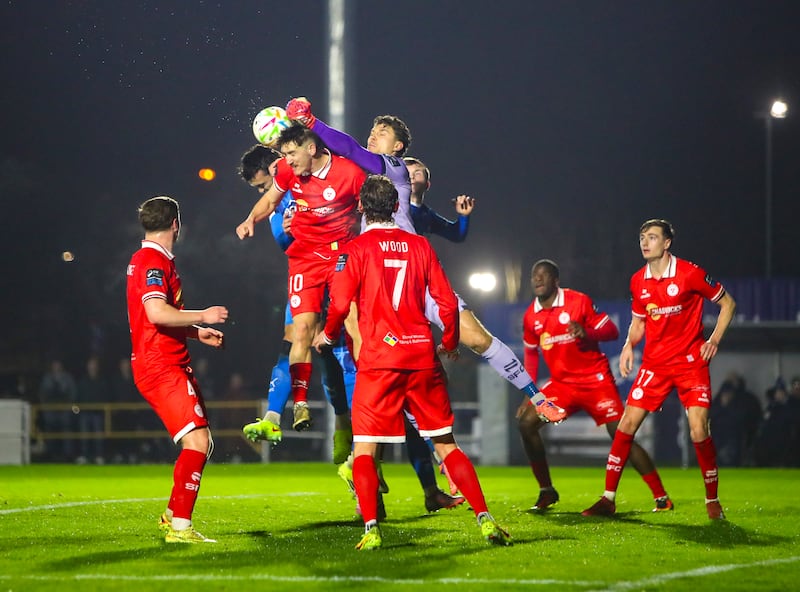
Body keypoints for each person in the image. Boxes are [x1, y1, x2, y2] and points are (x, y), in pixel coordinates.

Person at [312, 175, 511, 549]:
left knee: (365, 448)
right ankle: (485, 519)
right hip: (421, 356)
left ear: (361, 207)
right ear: (396, 206)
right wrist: (448, 342)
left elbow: (338, 304)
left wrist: (329, 335)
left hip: (379, 361)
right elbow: (447, 302)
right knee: (447, 445)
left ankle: (372, 529)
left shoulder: (354, 250)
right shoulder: (420, 245)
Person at [582, 219, 736, 520]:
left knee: (698, 429)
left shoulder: (690, 273)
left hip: (690, 362)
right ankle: (608, 499)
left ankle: (712, 500)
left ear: (667, 243)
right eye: (642, 237)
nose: (645, 242)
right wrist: (628, 345)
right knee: (626, 425)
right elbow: (639, 321)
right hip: (656, 365)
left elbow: (728, 304)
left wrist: (714, 340)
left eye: (652, 237)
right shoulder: (637, 280)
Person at [236, 126, 365, 435]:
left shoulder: (348, 173)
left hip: (340, 258)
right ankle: (285, 412)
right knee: (299, 335)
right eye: (284, 155)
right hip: (305, 262)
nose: (287, 161)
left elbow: (370, 208)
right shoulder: (285, 179)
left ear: (310, 149)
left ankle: (356, 419)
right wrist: (250, 219)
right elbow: (276, 220)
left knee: (347, 336)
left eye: (291, 154)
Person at [519, 260, 671, 511]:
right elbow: (531, 355)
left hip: (595, 381)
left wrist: (587, 332)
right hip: (562, 386)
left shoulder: (578, 301)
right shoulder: (530, 316)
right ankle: (546, 490)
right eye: (534, 275)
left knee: (621, 435)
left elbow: (611, 331)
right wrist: (530, 393)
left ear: (556, 281)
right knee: (526, 423)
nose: (537, 279)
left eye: (543, 275)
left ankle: (661, 497)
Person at [127, 195, 229, 542]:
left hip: (168, 362)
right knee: (197, 441)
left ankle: (172, 515)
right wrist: (204, 315)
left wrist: (196, 333)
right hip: (161, 365)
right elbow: (156, 313)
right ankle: (181, 527)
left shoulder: (152, 259)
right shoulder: (152, 261)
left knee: (202, 441)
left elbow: (157, 318)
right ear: (175, 224)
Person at [405, 156, 474, 242]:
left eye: (417, 173)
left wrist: (463, 216)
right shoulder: (392, 210)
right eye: (406, 173)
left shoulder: (427, 215)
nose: (411, 177)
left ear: (427, 185)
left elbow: (456, 235)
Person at [74, 354, 108, 464]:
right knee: (84, 436)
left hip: (97, 413)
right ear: (87, 366)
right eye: (91, 364)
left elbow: (105, 397)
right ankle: (84, 456)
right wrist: (77, 411)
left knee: (98, 436)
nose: (92, 367)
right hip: (84, 413)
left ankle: (99, 456)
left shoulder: (102, 381)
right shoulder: (82, 381)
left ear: (97, 367)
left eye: (94, 365)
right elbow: (77, 398)